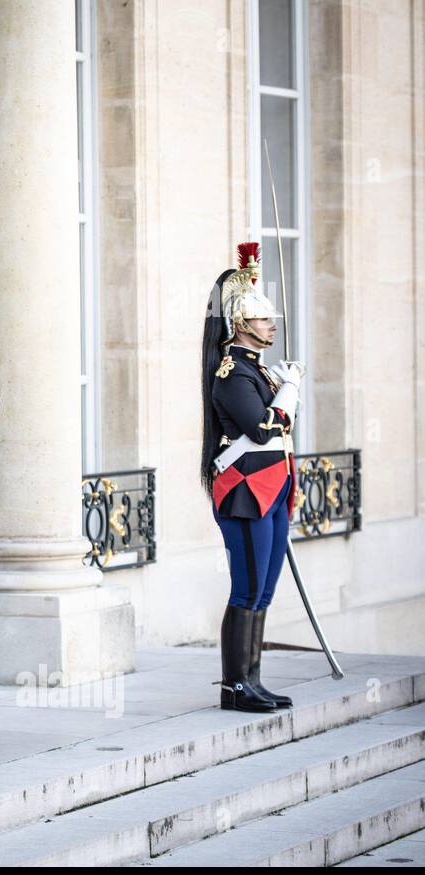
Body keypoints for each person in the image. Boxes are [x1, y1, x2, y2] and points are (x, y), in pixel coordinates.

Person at [200, 242, 302, 712]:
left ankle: (253, 679)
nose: (271, 324)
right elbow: (261, 430)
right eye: (264, 319)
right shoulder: (231, 371)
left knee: (264, 587)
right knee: (246, 586)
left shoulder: (256, 370)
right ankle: (234, 685)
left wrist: (282, 393)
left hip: (273, 488)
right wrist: (290, 393)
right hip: (245, 491)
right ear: (241, 324)